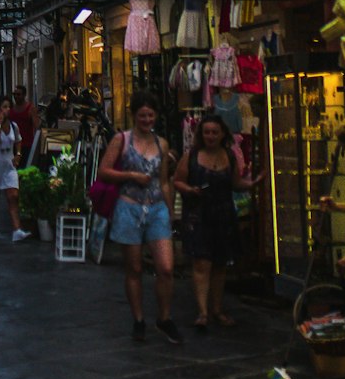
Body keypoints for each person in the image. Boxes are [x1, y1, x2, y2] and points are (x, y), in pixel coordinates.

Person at [97, 90, 182, 346]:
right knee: (134, 268)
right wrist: (131, 177)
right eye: (143, 115)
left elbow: (164, 181)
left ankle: (164, 318)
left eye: (151, 115)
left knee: (166, 268)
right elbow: (104, 172)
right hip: (129, 208)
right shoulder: (120, 140)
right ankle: (139, 319)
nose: (147, 120)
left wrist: (170, 212)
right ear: (135, 115)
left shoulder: (162, 144)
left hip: (156, 209)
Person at [175, 112, 262, 331]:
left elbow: (235, 183)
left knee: (220, 263)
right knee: (202, 262)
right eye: (207, 132)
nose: (210, 136)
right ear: (201, 134)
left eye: (214, 132)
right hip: (199, 214)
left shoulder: (229, 156)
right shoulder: (192, 156)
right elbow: (177, 181)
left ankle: (217, 308)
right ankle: (203, 312)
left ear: (222, 133)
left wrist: (252, 183)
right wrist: (190, 190)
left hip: (223, 213)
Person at [0, 95, 29, 242]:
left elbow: (18, 141)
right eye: (4, 107)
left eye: (9, 107)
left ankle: (17, 229)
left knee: (13, 196)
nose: (7, 110)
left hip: (9, 165)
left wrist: (18, 154)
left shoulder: (14, 126)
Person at [10, 85, 38, 169]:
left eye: (18, 94)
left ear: (24, 95)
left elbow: (36, 126)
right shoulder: (11, 108)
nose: (16, 96)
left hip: (27, 144)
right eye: (14, 94)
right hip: (13, 144)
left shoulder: (30, 108)